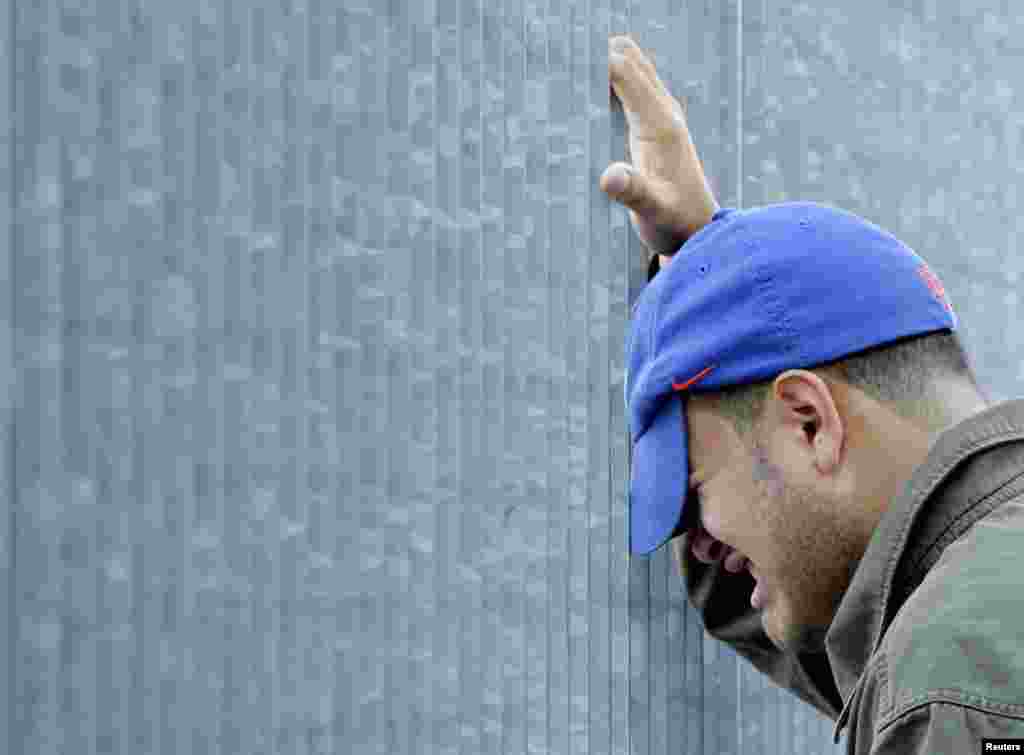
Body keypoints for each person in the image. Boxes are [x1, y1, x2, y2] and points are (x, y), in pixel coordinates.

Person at [603, 34, 1024, 754]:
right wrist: (701, 272)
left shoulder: (949, 684)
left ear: (808, 422)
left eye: (696, 487)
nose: (699, 536)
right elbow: (838, 637)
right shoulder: (980, 602)